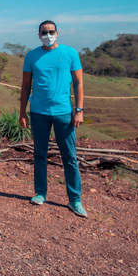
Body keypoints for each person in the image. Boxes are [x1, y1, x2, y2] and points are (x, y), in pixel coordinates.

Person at [19, 20, 87, 218]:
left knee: (69, 156)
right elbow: (25, 86)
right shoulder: (32, 56)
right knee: (40, 154)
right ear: (38, 34)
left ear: (57, 33)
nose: (47, 35)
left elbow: (79, 83)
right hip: (38, 112)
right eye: (44, 32)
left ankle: (75, 199)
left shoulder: (70, 53)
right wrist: (22, 112)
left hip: (63, 112)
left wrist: (79, 110)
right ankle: (40, 193)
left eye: (51, 31)